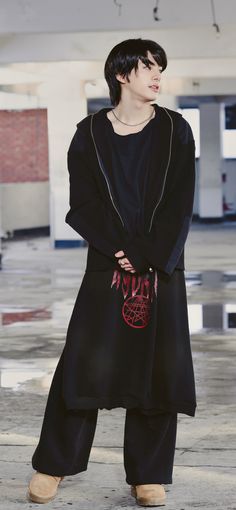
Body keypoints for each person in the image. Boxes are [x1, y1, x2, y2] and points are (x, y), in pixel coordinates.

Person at [28, 38, 197, 507]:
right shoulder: (88, 134)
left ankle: (148, 475)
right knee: (82, 364)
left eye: (159, 67)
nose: (156, 75)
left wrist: (145, 254)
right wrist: (119, 249)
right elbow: (81, 204)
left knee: (156, 370)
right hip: (107, 266)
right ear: (121, 75)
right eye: (147, 67)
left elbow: (181, 203)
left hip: (161, 268)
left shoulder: (176, 130)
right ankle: (53, 466)